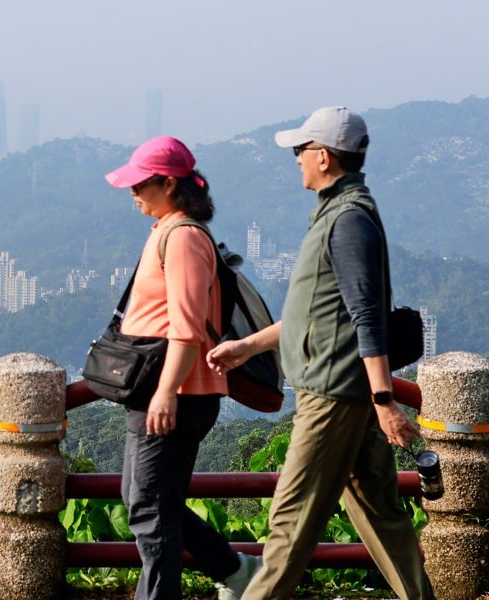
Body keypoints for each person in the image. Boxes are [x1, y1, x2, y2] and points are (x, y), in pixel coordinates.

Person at [206, 107, 435, 599]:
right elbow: (318, 312)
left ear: (324, 157)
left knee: (290, 522)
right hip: (346, 390)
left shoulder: (347, 222)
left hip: (332, 396)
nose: (296, 159)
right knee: (381, 514)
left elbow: (366, 316)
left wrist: (384, 400)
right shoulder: (340, 214)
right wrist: (248, 346)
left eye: (301, 150)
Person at [104, 136, 261, 600]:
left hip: (177, 393)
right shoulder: (167, 231)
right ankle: (236, 571)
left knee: (149, 510)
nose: (132, 192)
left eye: (140, 184)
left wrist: (166, 391)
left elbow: (187, 327)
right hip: (160, 391)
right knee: (145, 500)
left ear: (169, 184)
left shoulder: (184, 237)